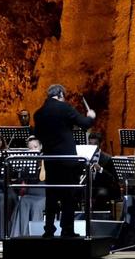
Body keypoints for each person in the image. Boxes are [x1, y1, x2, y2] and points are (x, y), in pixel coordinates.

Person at [34, 84, 95, 237]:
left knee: (51, 196)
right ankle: (67, 230)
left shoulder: (39, 113)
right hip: (67, 160)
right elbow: (85, 124)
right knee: (68, 195)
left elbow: (39, 135)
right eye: (64, 95)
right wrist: (91, 116)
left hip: (50, 159)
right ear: (60, 93)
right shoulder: (64, 108)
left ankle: (48, 230)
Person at [87, 132, 119, 212]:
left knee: (102, 194)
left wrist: (101, 169)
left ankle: (98, 218)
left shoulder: (108, 158)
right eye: (90, 143)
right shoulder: (84, 156)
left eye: (95, 144)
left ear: (100, 144)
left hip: (102, 186)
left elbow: (113, 179)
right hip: (87, 185)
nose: (92, 146)